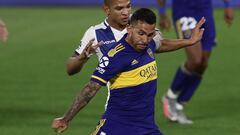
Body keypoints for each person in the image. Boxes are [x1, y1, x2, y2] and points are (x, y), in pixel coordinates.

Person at [52, 8, 205, 134]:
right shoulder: (116, 56)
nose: (145, 39)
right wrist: (66, 118)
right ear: (129, 29)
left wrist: (190, 41)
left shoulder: (148, 44)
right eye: (141, 33)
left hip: (146, 128)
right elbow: (90, 89)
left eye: (150, 34)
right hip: (116, 127)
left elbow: (162, 44)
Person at [157, 0, 234, 124]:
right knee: (195, 60)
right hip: (184, 12)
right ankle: (170, 96)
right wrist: (162, 13)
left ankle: (179, 105)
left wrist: (228, 5)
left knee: (203, 63)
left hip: (205, 11)